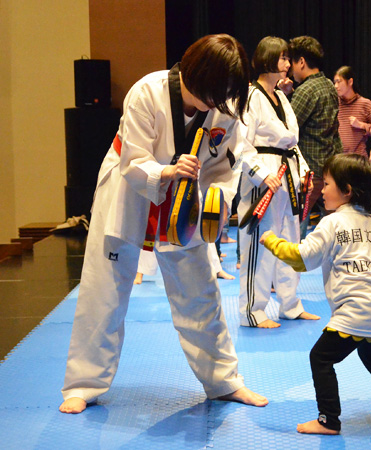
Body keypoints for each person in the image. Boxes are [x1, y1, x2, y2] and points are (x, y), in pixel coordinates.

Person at [59, 34, 268, 414]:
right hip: (129, 192)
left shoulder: (226, 108)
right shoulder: (146, 92)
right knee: (104, 290)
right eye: (217, 90)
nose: (221, 101)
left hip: (187, 203)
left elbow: (224, 168)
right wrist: (167, 171)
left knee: (200, 292)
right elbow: (133, 160)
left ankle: (223, 381)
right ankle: (83, 383)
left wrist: (218, 202)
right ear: (197, 74)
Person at [260, 154, 371, 434]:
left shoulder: (332, 223)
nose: (322, 189)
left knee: (321, 357)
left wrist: (271, 240)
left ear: (347, 190)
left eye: (327, 184)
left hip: (356, 311)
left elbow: (301, 258)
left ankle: (328, 420)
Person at [238, 36, 319, 328]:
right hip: (266, 178)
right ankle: (253, 311)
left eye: (287, 58)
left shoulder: (281, 97)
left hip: (289, 173)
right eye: (283, 58)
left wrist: (305, 172)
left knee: (290, 240)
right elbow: (240, 146)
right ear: (268, 59)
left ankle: (290, 304)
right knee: (259, 244)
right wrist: (262, 175)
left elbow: (291, 142)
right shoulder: (251, 96)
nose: (287, 64)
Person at [285, 35, 342, 237]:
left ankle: (294, 266)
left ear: (301, 62)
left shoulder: (306, 90)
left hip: (309, 170)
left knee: (296, 221)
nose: (290, 68)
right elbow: (336, 129)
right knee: (335, 223)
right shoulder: (329, 85)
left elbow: (287, 130)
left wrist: (282, 95)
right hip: (329, 165)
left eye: (291, 62)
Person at [333, 66, 371, 158]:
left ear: (350, 82)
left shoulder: (365, 104)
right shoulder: (334, 103)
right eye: (335, 82)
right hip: (338, 160)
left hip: (358, 160)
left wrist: (361, 125)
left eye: (339, 82)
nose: (336, 86)